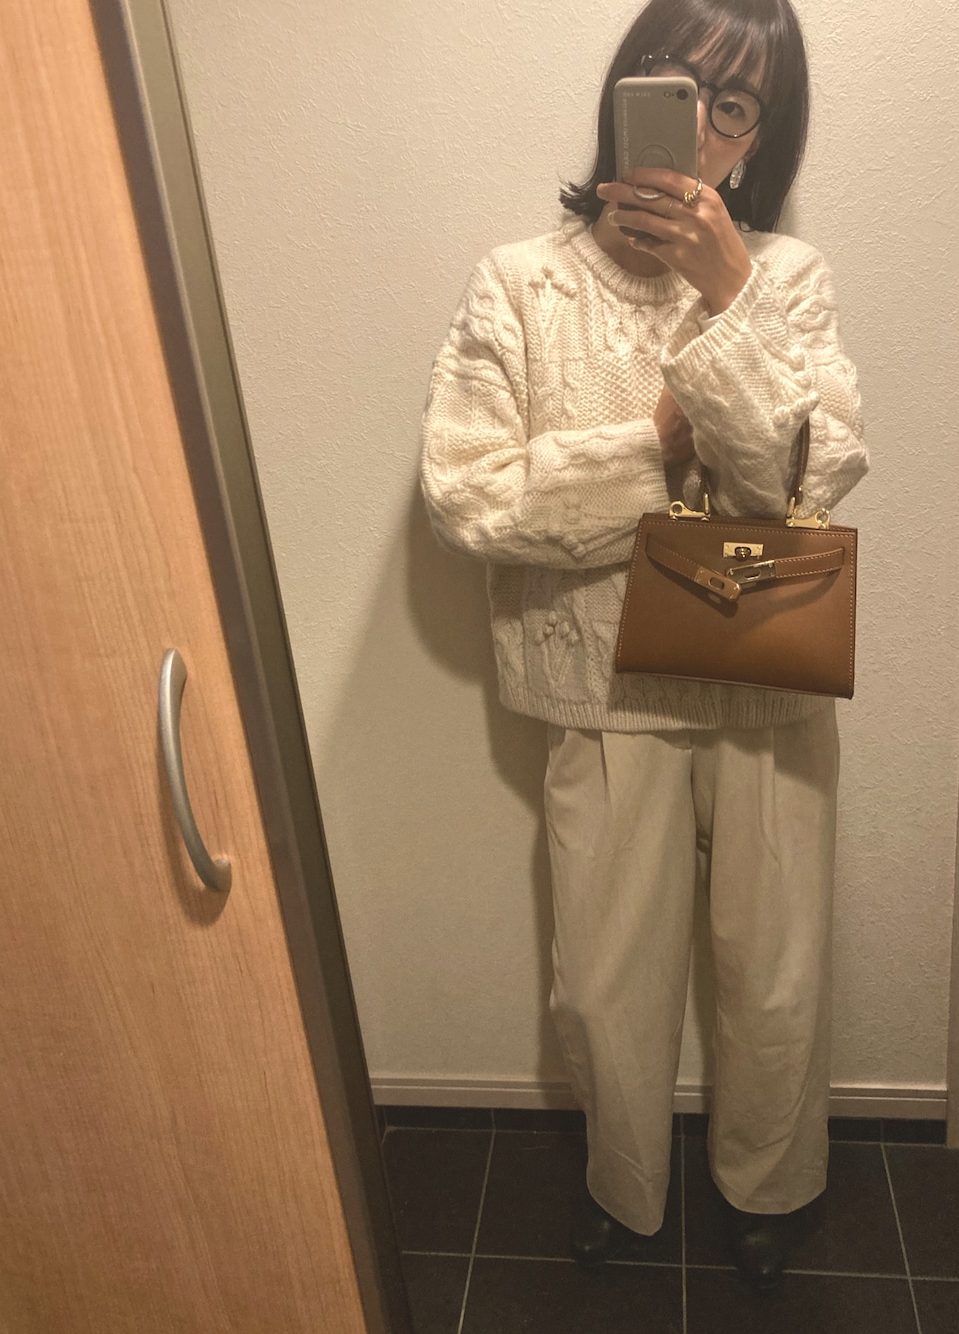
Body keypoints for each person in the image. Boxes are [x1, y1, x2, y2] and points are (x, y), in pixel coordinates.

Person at [419, 0, 867, 1290]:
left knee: (774, 976)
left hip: (767, 682)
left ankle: (772, 1184)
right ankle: (626, 1188)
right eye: (682, 87)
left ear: (760, 138)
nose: (706, 126)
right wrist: (652, 450)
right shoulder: (522, 282)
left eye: (739, 106)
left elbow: (809, 480)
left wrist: (730, 301)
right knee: (606, 983)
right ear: (627, 93)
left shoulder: (785, 279)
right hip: (600, 691)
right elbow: (468, 499)